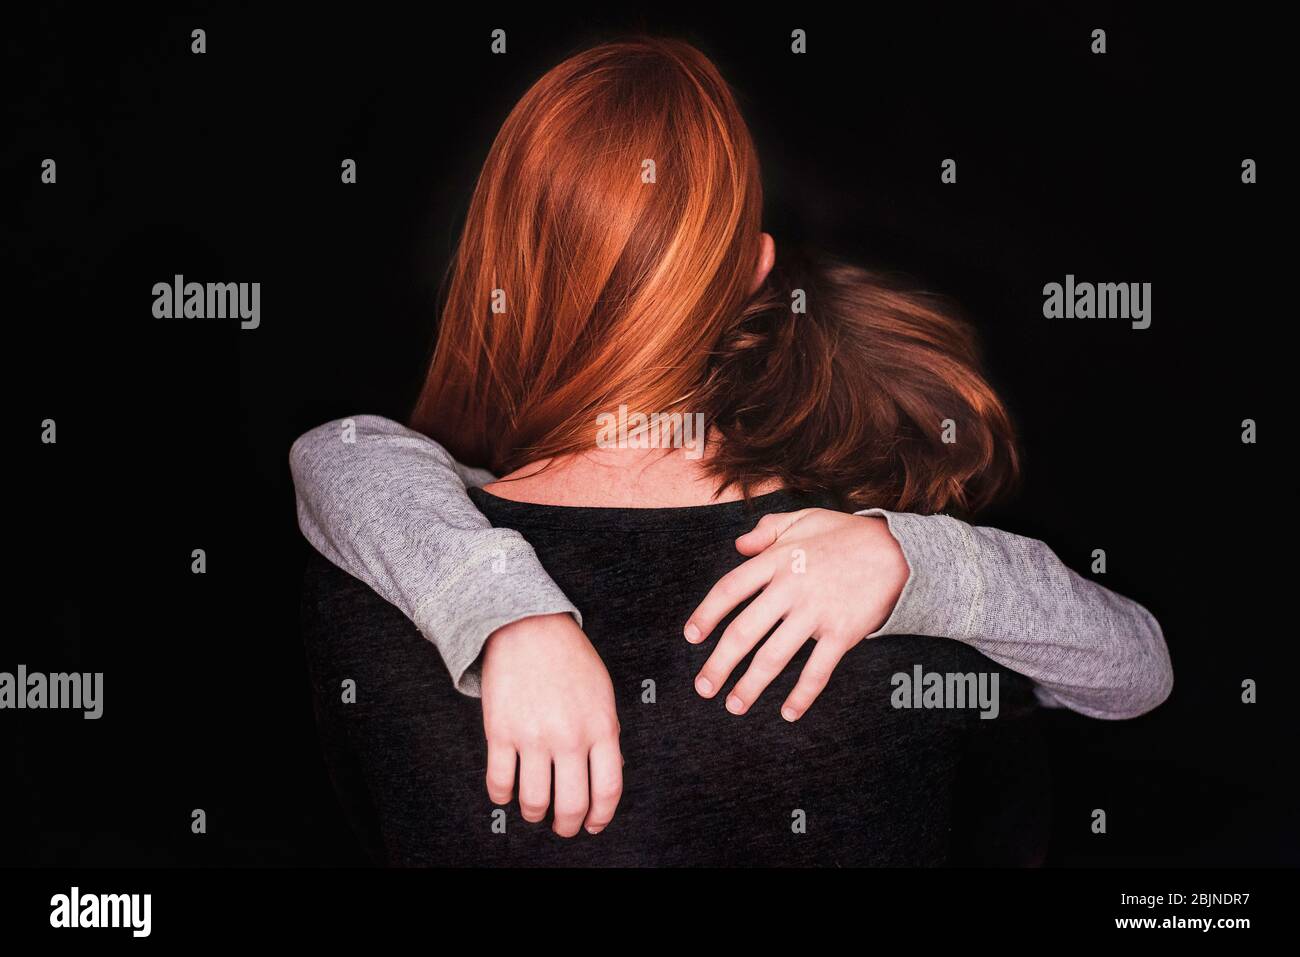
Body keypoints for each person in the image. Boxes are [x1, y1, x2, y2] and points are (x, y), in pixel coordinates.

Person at [292, 36, 1172, 865]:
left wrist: (499, 606)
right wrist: (923, 561)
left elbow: (341, 452)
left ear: (499, 280)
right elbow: (1135, 673)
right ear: (753, 271)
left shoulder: (374, 595)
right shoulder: (895, 609)